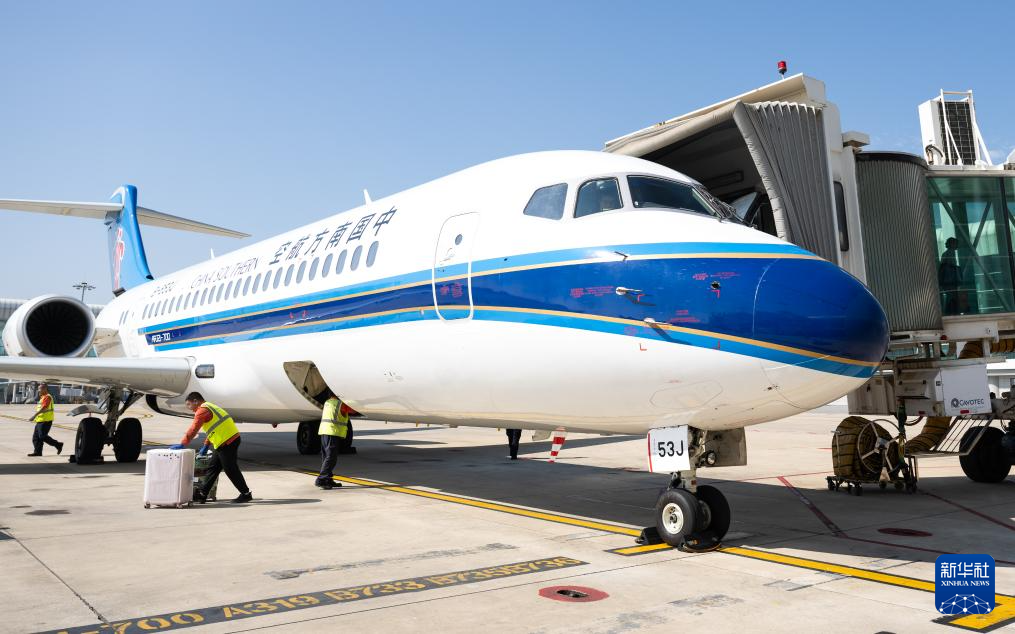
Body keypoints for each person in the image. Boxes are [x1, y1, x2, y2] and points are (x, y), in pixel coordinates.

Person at [170, 392, 252, 503]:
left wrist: (183, 443)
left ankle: (246, 494)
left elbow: (194, 429)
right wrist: (205, 445)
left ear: (196, 401)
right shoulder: (209, 406)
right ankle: (203, 494)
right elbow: (213, 429)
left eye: (189, 404)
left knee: (230, 469)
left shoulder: (202, 411)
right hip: (226, 441)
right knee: (213, 468)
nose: (189, 408)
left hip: (227, 442)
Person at [316, 391, 351, 489]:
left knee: (326, 457)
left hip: (324, 432)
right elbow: (352, 410)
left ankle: (327, 479)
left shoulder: (328, 402)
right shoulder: (340, 404)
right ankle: (321, 479)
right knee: (331, 457)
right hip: (331, 432)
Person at [27, 384, 63, 457]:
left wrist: (34, 416)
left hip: (46, 421)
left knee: (42, 436)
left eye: (40, 389)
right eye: (38, 389)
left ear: (45, 389)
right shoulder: (43, 397)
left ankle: (58, 444)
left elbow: (44, 407)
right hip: (40, 420)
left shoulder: (47, 397)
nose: (38, 390)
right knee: (36, 438)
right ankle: (38, 452)